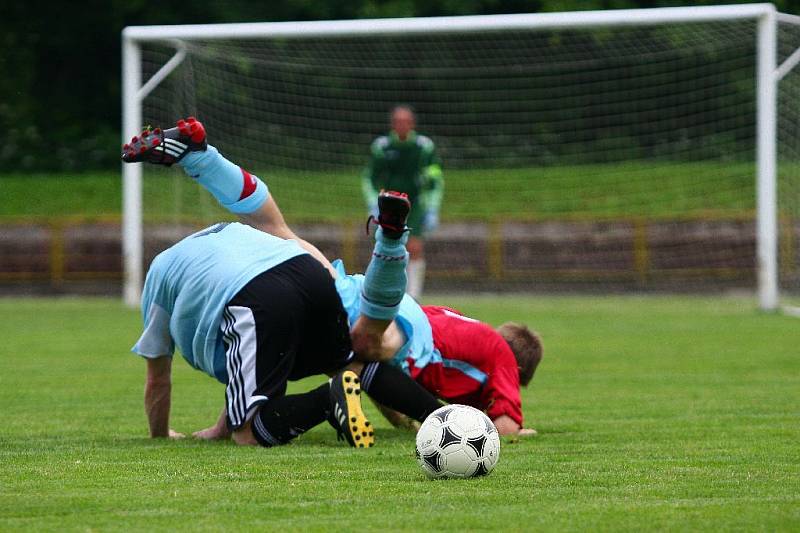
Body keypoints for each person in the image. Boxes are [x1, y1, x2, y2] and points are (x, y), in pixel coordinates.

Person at [122, 117, 442, 448]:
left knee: (367, 343)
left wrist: (160, 434)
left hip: (271, 291)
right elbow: (251, 355)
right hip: (307, 273)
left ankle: (328, 399)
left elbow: (158, 377)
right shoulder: (223, 237)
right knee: (353, 357)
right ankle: (444, 417)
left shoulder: (162, 273)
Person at [332, 262, 543, 436]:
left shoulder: (461, 323)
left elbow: (386, 373)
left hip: (374, 307)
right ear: (519, 370)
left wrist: (404, 424)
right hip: (408, 341)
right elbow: (506, 428)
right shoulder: (502, 355)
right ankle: (325, 404)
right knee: (359, 358)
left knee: (350, 357)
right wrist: (524, 433)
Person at [361, 105, 444, 300]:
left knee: (414, 246)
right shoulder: (382, 146)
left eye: (406, 122)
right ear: (392, 124)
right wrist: (373, 203)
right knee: (387, 247)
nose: (402, 125)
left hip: (414, 204)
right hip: (389, 205)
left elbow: (435, 177)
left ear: (412, 124)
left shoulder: (423, 147)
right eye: (398, 122)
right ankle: (389, 291)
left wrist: (432, 207)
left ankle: (413, 296)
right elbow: (370, 178)